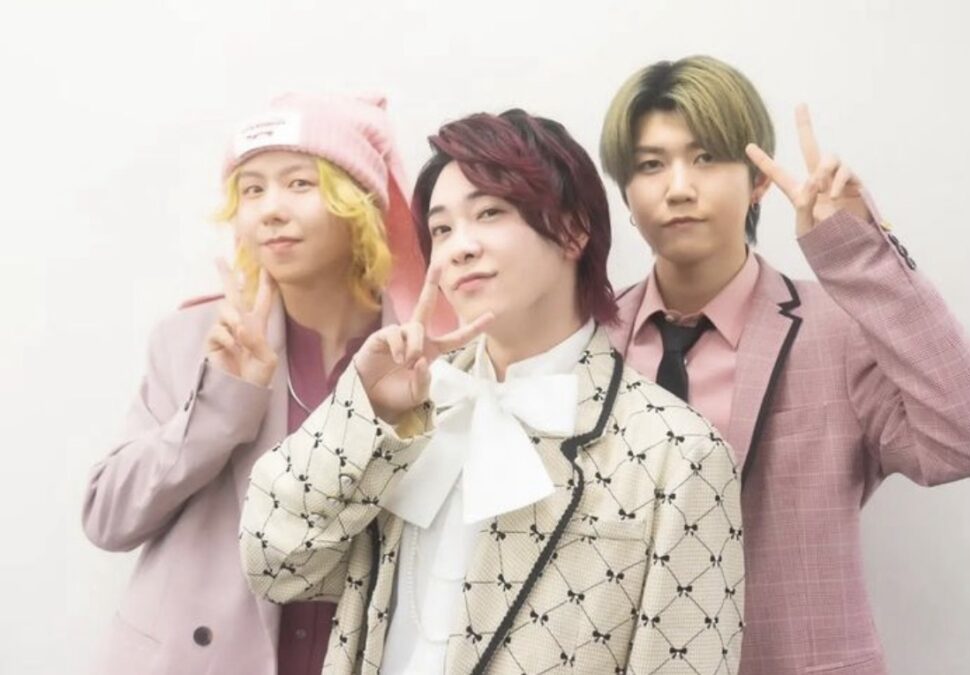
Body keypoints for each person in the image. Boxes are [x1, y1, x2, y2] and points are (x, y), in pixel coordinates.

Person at [240, 109, 745, 674]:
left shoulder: (678, 453)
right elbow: (275, 564)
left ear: (573, 230)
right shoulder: (411, 411)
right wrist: (368, 407)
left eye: (489, 213)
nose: (460, 248)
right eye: (442, 230)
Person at [601, 55, 970, 674]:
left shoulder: (836, 329)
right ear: (627, 195)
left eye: (706, 157)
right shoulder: (590, 343)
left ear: (758, 181)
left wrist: (859, 254)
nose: (679, 187)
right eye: (650, 165)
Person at [81, 92, 433, 674]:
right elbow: (107, 517)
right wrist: (221, 405)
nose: (271, 210)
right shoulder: (191, 338)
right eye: (252, 190)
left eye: (300, 184)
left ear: (360, 204)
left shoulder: (420, 355)